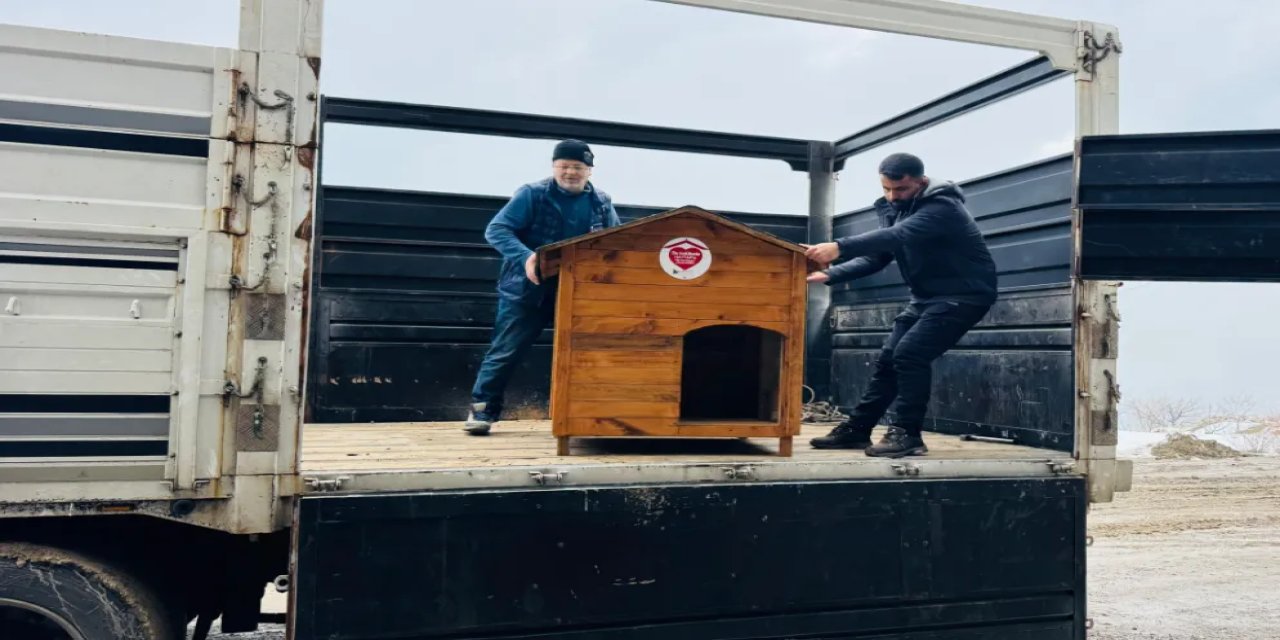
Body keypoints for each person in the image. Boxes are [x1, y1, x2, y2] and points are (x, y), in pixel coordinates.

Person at [802, 153, 997, 457]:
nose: (893, 197)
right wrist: (827, 274)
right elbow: (878, 256)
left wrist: (839, 247)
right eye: (886, 189)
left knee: (909, 355)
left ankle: (908, 434)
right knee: (889, 359)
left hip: (964, 296)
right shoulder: (893, 208)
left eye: (901, 190)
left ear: (920, 182)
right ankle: (857, 430)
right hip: (925, 298)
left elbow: (898, 235)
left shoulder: (943, 207)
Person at [464, 139, 621, 435]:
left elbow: (613, 241)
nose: (570, 172)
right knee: (506, 351)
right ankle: (482, 410)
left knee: (589, 352)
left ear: (589, 170)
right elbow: (496, 229)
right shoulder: (531, 194)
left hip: (577, 291)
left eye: (577, 167)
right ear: (554, 167)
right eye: (563, 166)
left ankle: (593, 415)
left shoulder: (601, 201)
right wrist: (527, 257)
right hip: (526, 291)